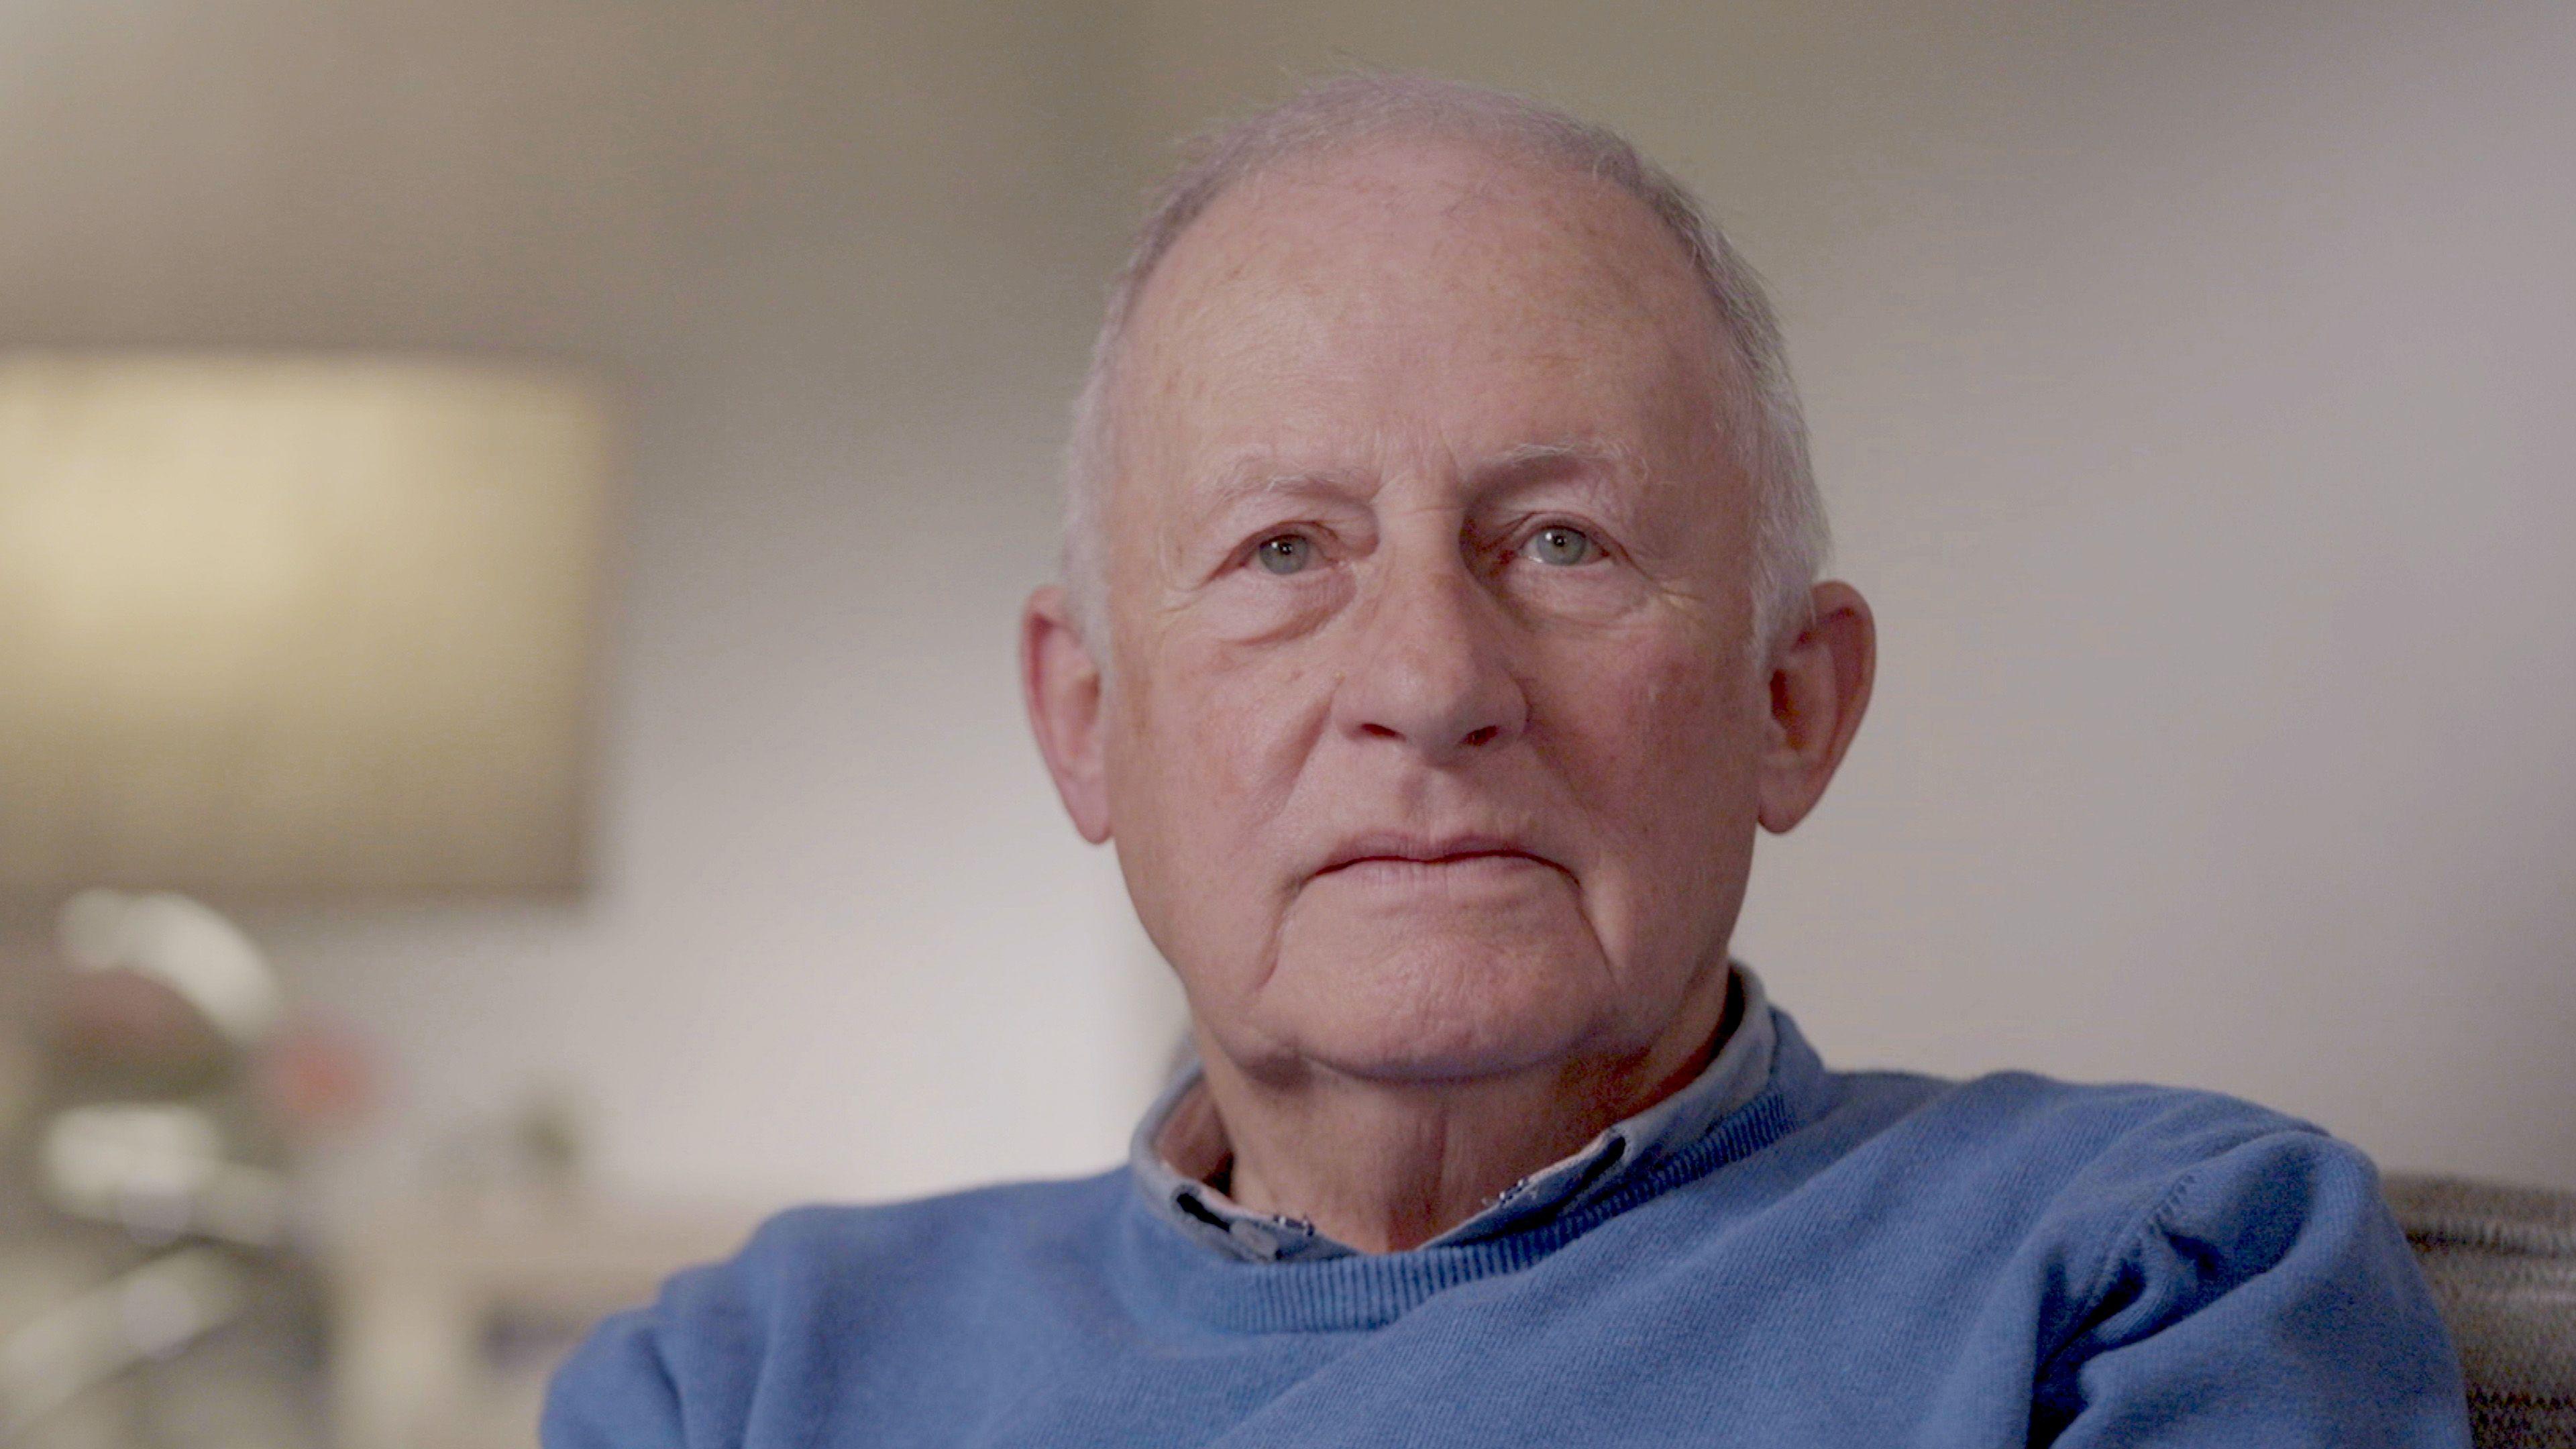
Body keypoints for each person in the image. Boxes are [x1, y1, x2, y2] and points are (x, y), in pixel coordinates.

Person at [543, 73, 2471, 1447]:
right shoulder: (743, 1382)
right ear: (1088, 721)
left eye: (1561, 541)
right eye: (1285, 549)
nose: (1428, 680)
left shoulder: (2153, 1272)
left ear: (1793, 703)